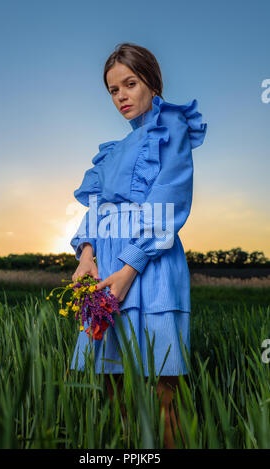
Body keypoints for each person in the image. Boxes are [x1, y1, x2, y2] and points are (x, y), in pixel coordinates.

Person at [69, 42, 207, 448]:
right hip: (106, 268)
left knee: (163, 386)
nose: (122, 96)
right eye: (113, 90)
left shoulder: (172, 127)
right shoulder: (109, 154)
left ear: (152, 81)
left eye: (130, 83)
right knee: (111, 385)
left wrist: (129, 267)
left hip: (149, 264)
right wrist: (86, 257)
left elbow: (171, 200)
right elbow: (95, 209)